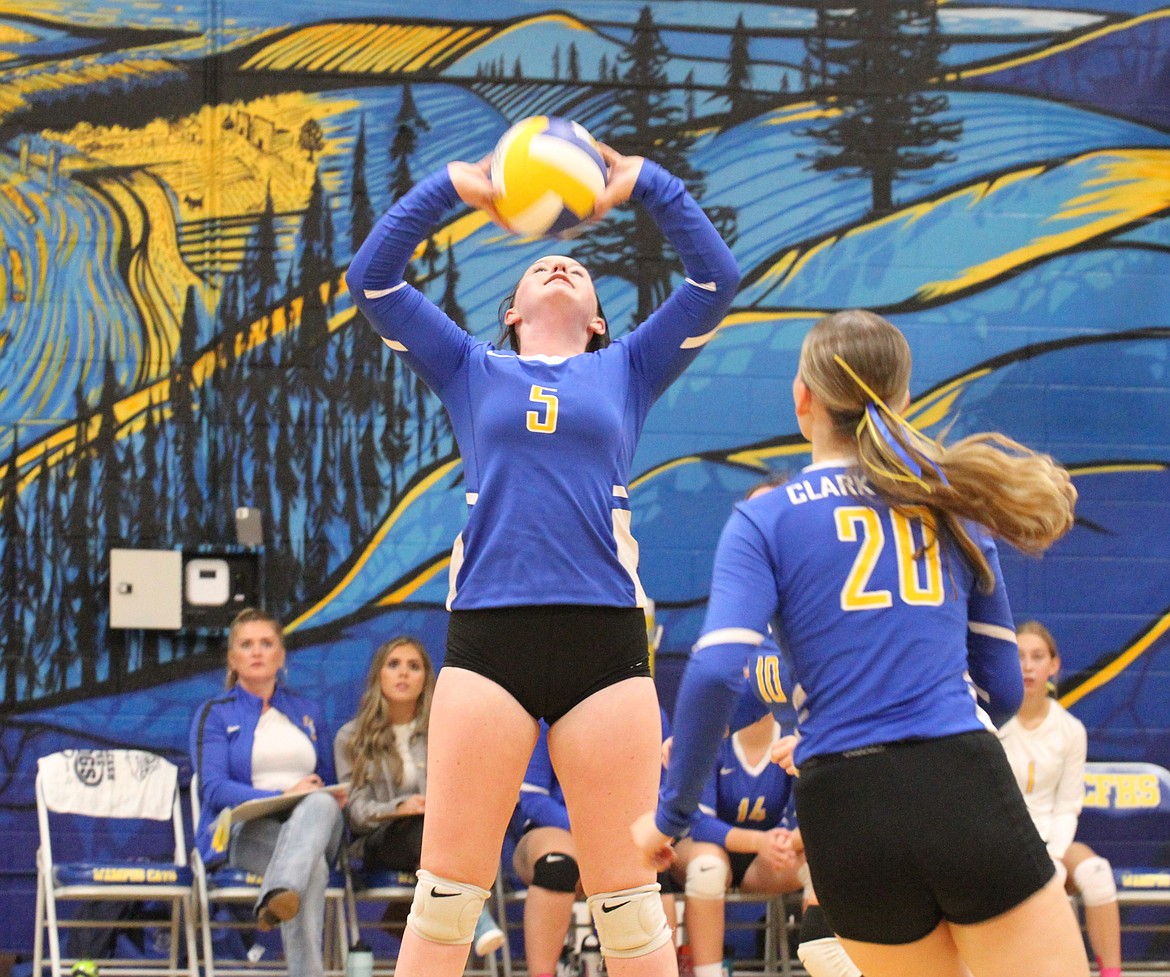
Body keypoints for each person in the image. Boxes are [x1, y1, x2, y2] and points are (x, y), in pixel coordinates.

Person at [345, 136, 740, 977]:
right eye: (538, 269)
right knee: (447, 895)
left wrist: (649, 185)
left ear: (599, 318)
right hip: (490, 639)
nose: (559, 270)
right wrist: (458, 187)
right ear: (513, 312)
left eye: (578, 270)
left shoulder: (628, 368)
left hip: (604, 642)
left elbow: (717, 283)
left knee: (630, 907)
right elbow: (372, 282)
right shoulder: (468, 367)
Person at [633, 308, 1086, 977]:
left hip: (843, 806)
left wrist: (670, 814)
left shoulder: (766, 515)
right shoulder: (947, 500)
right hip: (956, 776)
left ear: (803, 400)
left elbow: (717, 669)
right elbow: (1003, 682)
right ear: (902, 398)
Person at [189, 608, 346, 977]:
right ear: (232, 658)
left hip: (314, 824)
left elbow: (326, 778)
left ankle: (278, 891)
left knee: (322, 801)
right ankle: (285, 897)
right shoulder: (215, 714)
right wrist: (283, 792)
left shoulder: (308, 712)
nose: (257, 652)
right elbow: (214, 789)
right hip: (247, 832)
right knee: (314, 869)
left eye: (266, 643)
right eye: (246, 645)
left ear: (281, 655)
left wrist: (334, 796)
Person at [334, 636, 504, 958]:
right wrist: (401, 807)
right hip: (380, 841)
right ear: (378, 675)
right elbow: (355, 811)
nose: (403, 674)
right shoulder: (351, 736)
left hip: (437, 837)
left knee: (457, 830)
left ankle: (407, 921)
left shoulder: (442, 732)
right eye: (394, 665)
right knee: (423, 829)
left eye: (414, 667)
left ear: (426, 678)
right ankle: (477, 922)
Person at [999, 621, 1122, 977]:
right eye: (1018, 657)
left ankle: (1111, 973)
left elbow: (1068, 805)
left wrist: (1052, 852)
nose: (1027, 666)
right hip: (1007, 843)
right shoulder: (993, 727)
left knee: (1097, 874)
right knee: (1048, 879)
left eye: (1037, 657)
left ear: (1054, 666)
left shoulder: (1070, 731)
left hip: (1055, 838)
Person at [670, 712, 802, 977]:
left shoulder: (793, 740)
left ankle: (833, 966)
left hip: (765, 861)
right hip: (707, 847)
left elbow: (804, 821)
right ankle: (707, 973)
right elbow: (702, 824)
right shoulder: (713, 736)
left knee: (818, 864)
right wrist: (759, 841)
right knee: (707, 867)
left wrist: (783, 842)